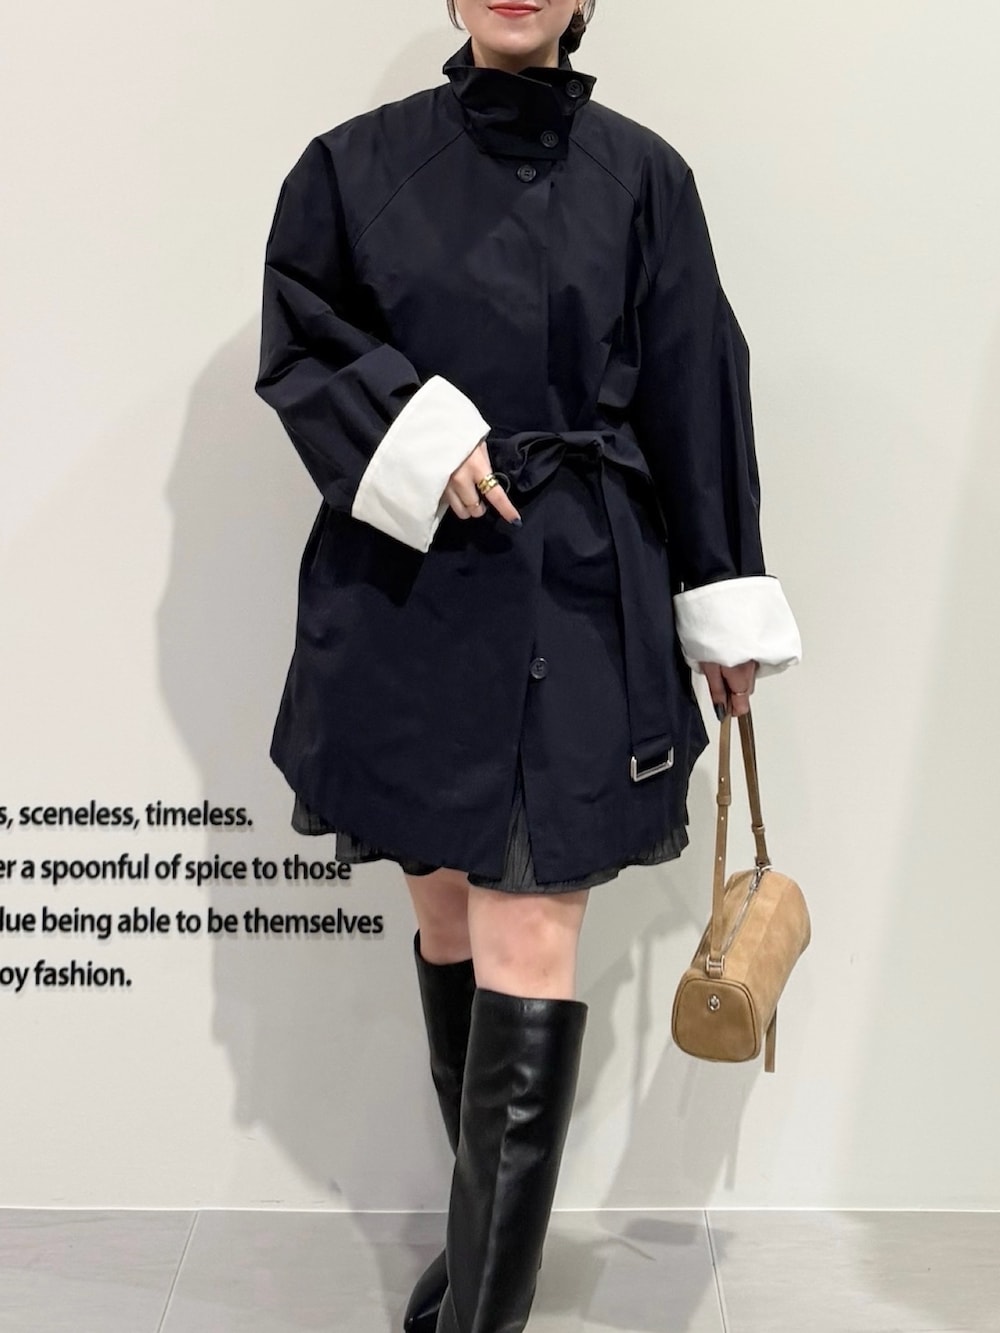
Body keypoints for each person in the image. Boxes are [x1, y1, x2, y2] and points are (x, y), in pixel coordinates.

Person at [254, 2, 801, 1329]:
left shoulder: (644, 176)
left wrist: (721, 595)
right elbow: (301, 339)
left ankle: (484, 1312)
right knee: (449, 916)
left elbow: (697, 387)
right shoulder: (353, 166)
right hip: (410, 595)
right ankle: (482, 1244)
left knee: (529, 926)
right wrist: (417, 430)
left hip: (583, 588)